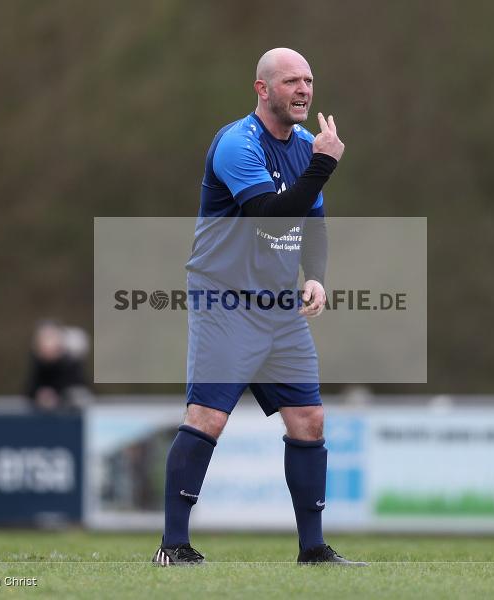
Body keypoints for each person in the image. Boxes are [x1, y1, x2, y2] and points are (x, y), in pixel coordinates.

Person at [152, 48, 365, 566]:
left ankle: (313, 550)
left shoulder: (307, 149)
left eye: (309, 80)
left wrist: (314, 277)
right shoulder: (236, 144)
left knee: (309, 419)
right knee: (207, 418)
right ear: (262, 89)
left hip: (279, 308)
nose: (304, 90)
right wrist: (324, 165)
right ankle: (173, 546)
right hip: (224, 300)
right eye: (291, 80)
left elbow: (311, 225)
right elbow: (268, 218)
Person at [23, 320, 91, 412]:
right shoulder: (37, 365)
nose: (47, 344)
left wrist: (59, 397)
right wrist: (39, 395)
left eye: (50, 337)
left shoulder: (71, 365)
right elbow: (29, 391)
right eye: (44, 338)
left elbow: (80, 392)